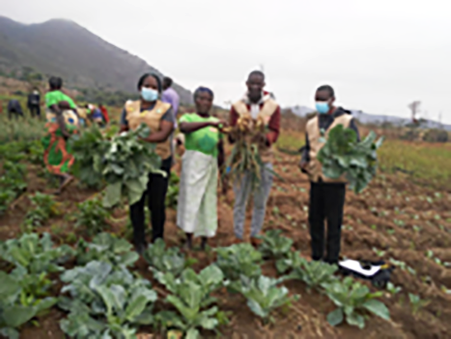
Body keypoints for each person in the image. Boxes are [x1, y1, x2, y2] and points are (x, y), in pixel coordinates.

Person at [299, 85, 360, 265]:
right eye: (317, 100)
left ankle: (332, 260)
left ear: (332, 100)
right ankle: (316, 258)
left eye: (323, 100)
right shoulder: (311, 124)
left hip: (335, 181)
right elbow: (308, 148)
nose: (320, 104)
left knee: (334, 223)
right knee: (314, 220)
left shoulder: (346, 121)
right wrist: (303, 161)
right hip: (316, 178)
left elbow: (354, 149)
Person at [120, 73, 175, 254]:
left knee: (156, 203)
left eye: (154, 87)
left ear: (159, 91)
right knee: (136, 202)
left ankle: (157, 239)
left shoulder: (165, 108)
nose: (149, 90)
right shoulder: (129, 107)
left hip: (159, 162)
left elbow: (164, 133)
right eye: (147, 86)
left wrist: (140, 139)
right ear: (139, 87)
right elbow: (123, 129)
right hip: (135, 163)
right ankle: (139, 241)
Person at [229, 70, 281, 246]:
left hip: (263, 160)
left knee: (260, 201)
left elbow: (275, 131)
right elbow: (230, 134)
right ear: (246, 84)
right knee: (240, 200)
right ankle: (238, 235)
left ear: (263, 86)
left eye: (258, 84)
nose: (255, 87)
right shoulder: (237, 107)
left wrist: (265, 139)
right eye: (252, 83)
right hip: (242, 160)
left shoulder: (272, 107)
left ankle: (255, 235)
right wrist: (236, 131)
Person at [177, 87, 227, 250]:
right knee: (191, 200)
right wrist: (209, 123)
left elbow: (220, 150)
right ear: (195, 100)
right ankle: (188, 238)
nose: (205, 103)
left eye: (208, 100)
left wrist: (223, 174)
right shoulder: (189, 118)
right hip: (193, 164)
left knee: (207, 201)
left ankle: (205, 239)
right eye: (201, 99)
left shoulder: (216, 124)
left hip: (210, 166)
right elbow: (183, 128)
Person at [42, 76, 80, 194]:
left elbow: (57, 111)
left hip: (58, 125)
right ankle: (62, 181)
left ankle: (63, 176)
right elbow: (75, 112)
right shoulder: (67, 97)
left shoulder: (50, 95)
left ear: (50, 85)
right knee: (66, 151)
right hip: (73, 124)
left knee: (52, 151)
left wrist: (63, 129)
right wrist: (77, 129)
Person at [162, 77, 180, 165]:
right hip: (173, 121)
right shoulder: (174, 93)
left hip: (167, 121)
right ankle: (172, 160)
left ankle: (168, 161)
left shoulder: (165, 94)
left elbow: (164, 108)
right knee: (171, 142)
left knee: (165, 142)